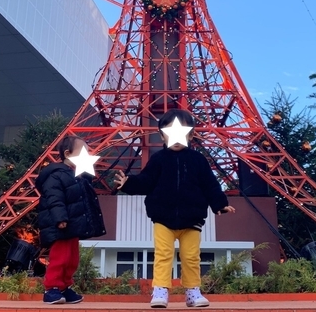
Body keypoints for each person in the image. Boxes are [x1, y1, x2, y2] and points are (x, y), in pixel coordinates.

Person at [114, 108, 235, 308]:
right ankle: (160, 290)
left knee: (191, 257)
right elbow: (146, 181)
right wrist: (128, 183)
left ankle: (192, 292)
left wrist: (220, 204)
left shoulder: (198, 160)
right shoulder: (158, 159)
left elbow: (210, 185)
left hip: (192, 219)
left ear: (191, 134)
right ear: (162, 135)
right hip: (163, 217)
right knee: (163, 254)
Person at [35, 135, 106, 304]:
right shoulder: (56, 175)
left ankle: (64, 288)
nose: (87, 156)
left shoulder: (78, 176)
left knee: (72, 259)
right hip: (61, 225)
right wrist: (60, 218)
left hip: (72, 226)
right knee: (60, 258)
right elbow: (55, 198)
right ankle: (51, 288)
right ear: (67, 154)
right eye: (83, 152)